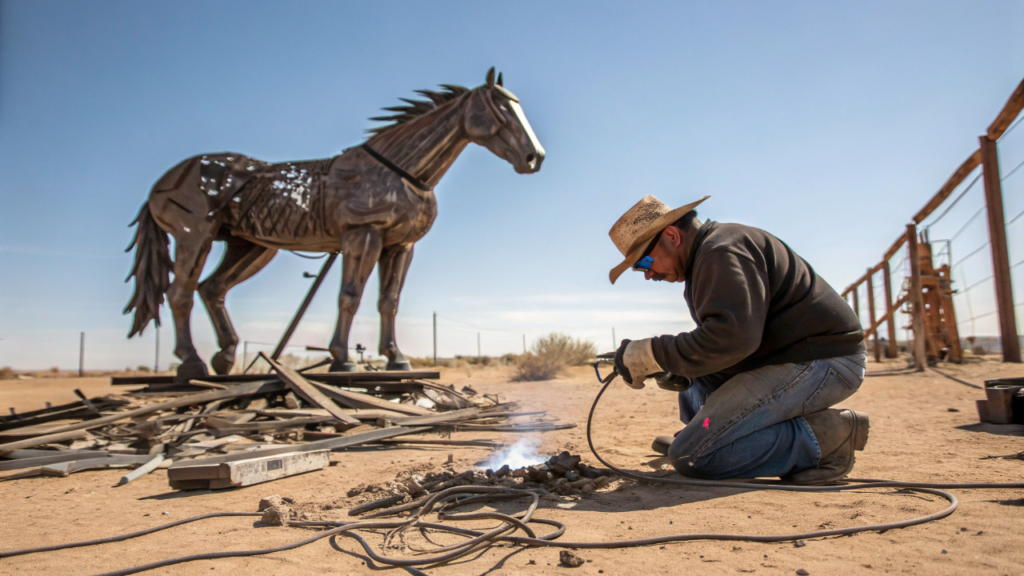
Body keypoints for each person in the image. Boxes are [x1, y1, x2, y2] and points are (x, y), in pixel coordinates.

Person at [608, 194, 868, 485]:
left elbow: (732, 340)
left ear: (672, 236)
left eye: (644, 262)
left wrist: (651, 353)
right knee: (692, 381)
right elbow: (726, 346)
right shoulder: (707, 257)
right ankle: (714, 438)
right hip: (790, 360)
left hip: (823, 362)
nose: (647, 274)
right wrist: (673, 364)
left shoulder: (722, 251)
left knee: (691, 458)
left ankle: (829, 437)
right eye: (638, 269)